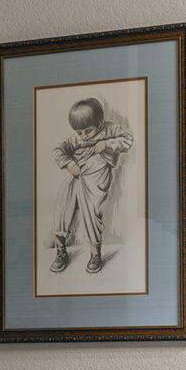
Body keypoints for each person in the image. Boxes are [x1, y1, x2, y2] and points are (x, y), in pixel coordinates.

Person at [47, 97, 134, 275]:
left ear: (99, 123)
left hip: (97, 178)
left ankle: (95, 255)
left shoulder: (110, 129)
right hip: (78, 176)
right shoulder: (75, 139)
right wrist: (69, 164)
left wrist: (108, 143)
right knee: (62, 208)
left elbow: (128, 140)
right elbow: (58, 150)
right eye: (80, 132)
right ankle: (61, 251)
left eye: (88, 131)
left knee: (92, 212)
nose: (84, 136)